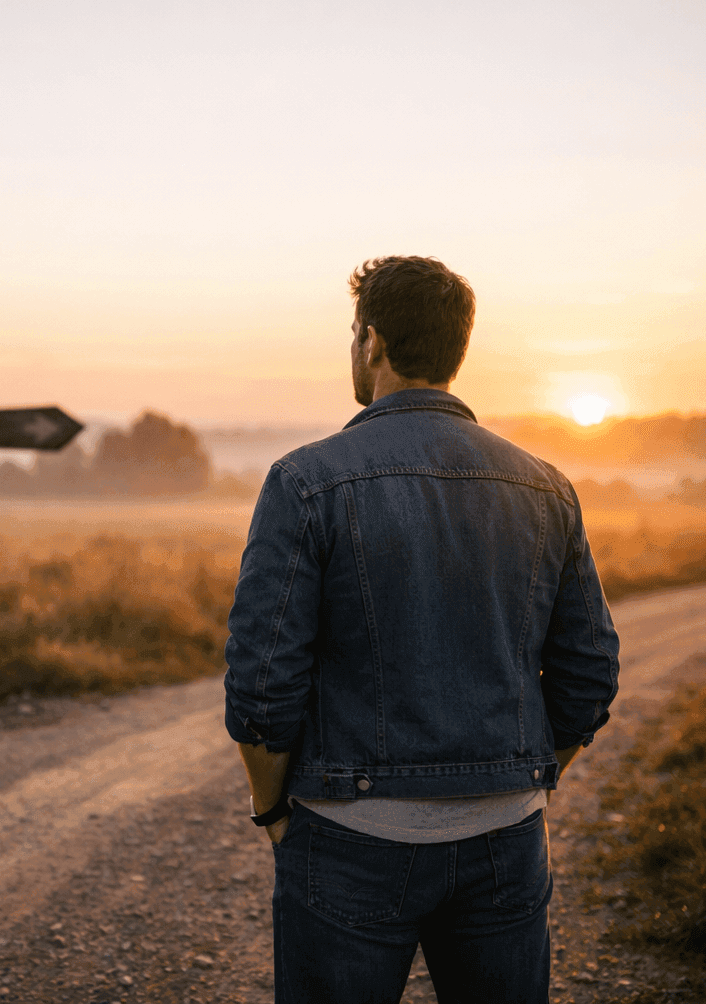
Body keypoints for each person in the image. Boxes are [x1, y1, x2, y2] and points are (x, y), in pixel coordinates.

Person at [224, 255, 619, 1003]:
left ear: (371, 341)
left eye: (353, 333)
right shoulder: (546, 487)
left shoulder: (305, 482)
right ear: (455, 348)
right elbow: (590, 674)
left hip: (347, 836)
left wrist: (271, 808)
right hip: (506, 839)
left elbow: (262, 682)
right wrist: (518, 778)